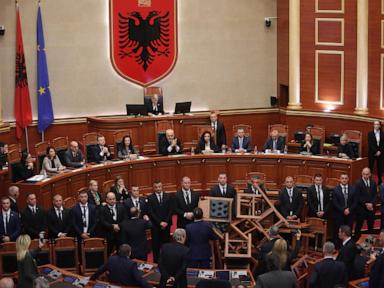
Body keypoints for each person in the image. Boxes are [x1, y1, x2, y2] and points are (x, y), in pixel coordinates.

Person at [147, 180, 173, 263]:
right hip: (156, 226)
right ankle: (156, 263)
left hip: (167, 224)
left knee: (166, 245)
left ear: (162, 187)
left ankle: (167, 261)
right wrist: (160, 223)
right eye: (156, 187)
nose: (158, 189)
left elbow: (171, 210)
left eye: (159, 187)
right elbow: (151, 213)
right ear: (153, 188)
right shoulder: (150, 198)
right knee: (156, 246)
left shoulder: (168, 196)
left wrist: (166, 222)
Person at [332, 174, 356, 245]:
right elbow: (335, 203)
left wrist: (349, 210)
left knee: (349, 231)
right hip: (339, 214)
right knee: (338, 230)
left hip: (350, 214)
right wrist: (343, 210)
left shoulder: (353, 189)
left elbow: (355, 201)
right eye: (342, 178)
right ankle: (338, 246)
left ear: (348, 179)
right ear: (340, 179)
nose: (344, 180)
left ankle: (348, 245)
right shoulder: (335, 189)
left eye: (346, 178)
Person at [354, 168, 377, 241]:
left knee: (371, 226)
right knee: (359, 226)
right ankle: (356, 241)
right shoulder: (358, 183)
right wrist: (366, 204)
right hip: (361, 209)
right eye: (364, 174)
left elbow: (375, 195)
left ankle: (369, 242)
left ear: (370, 174)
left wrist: (372, 204)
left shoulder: (373, 182)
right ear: (362, 174)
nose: (365, 176)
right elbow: (357, 196)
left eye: (367, 174)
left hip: (371, 209)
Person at [368, 120, 384, 185]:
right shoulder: (370, 133)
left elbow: (383, 144)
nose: (376, 126)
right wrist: (376, 151)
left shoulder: (383, 134)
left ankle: (380, 180)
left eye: (377, 124)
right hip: (372, 152)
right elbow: (370, 144)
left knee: (380, 167)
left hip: (381, 153)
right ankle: (369, 180)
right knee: (370, 166)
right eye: (375, 124)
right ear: (373, 125)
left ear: (380, 126)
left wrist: (380, 151)